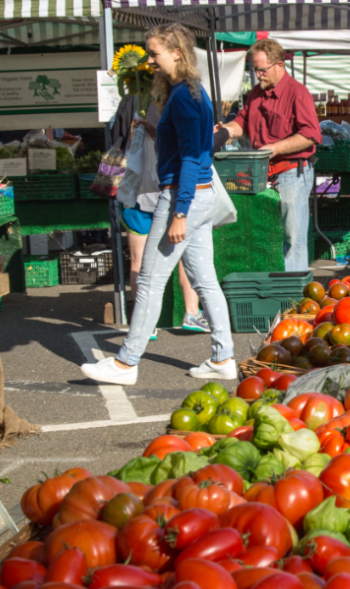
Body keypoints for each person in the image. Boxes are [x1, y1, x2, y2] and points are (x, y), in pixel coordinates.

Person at [81, 23, 235, 385]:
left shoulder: (183, 96)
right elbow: (198, 149)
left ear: (177, 54)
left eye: (154, 53)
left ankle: (125, 363)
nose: (149, 60)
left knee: (150, 280)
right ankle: (223, 356)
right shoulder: (193, 92)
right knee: (205, 279)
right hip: (200, 193)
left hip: (184, 195)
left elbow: (191, 157)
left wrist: (179, 211)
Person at [219, 39, 322, 272]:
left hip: (291, 172)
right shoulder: (256, 93)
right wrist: (224, 131)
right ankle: (273, 291)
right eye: (254, 69)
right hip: (262, 174)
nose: (258, 75)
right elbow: (242, 123)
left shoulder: (298, 93)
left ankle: (292, 297)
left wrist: (274, 148)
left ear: (279, 65)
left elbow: (311, 135)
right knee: (267, 233)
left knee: (293, 237)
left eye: (261, 69)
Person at [121, 96, 210, 334]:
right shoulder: (177, 102)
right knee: (183, 254)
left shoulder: (133, 102)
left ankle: (144, 325)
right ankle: (191, 312)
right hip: (169, 193)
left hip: (141, 194)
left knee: (139, 259)